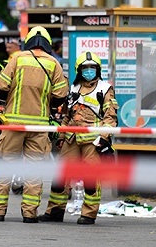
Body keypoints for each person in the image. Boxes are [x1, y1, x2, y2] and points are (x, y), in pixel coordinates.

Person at [0, 26, 68, 223]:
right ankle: (29, 214)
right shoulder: (54, 64)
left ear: (28, 41)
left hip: (14, 124)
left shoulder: (17, 58)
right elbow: (60, 97)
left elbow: (0, 88)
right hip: (40, 127)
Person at [39, 51, 118, 225]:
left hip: (92, 142)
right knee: (60, 178)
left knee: (90, 180)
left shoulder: (105, 89)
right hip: (71, 140)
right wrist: (61, 137)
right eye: (85, 68)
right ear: (79, 70)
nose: (89, 70)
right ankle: (55, 211)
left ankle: (88, 214)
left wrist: (104, 137)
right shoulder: (73, 89)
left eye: (92, 67)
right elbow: (67, 117)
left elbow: (110, 118)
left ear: (98, 69)